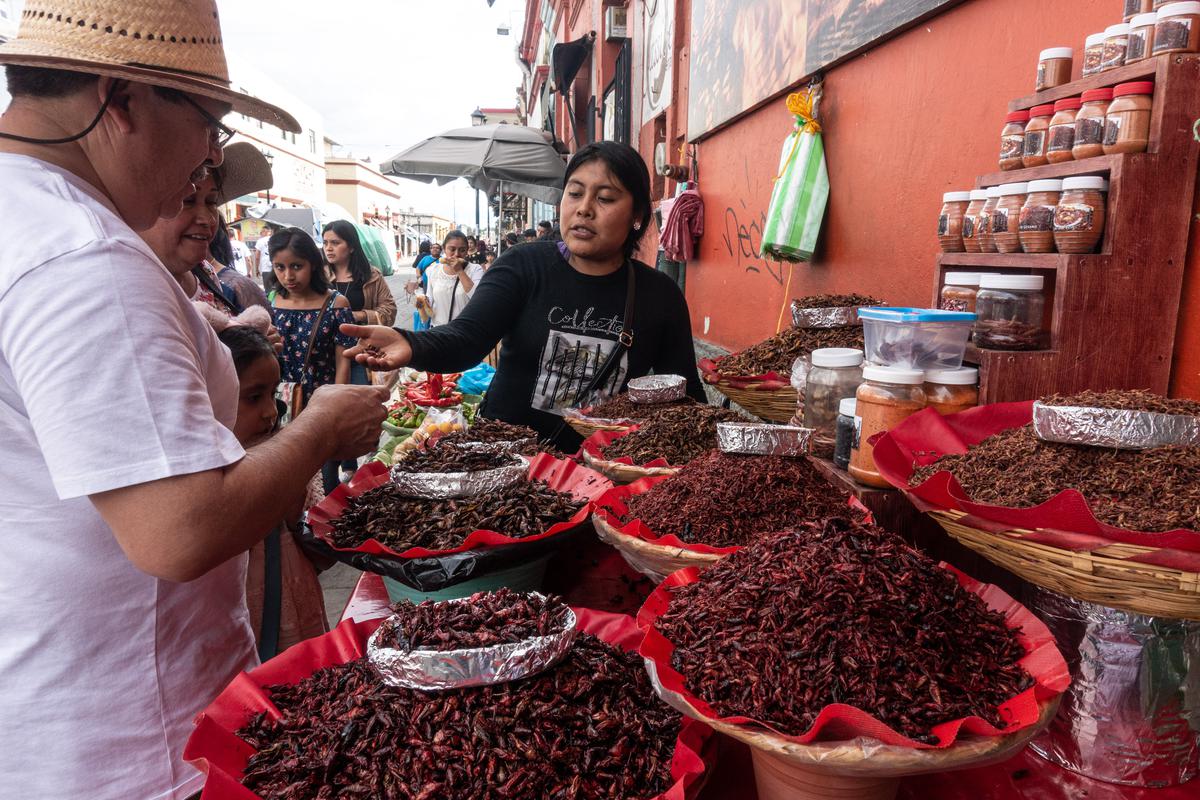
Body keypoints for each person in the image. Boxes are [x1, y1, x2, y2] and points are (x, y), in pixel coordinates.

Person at [0, 4, 387, 799]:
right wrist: (316, 429)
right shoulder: (84, 261)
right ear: (121, 96)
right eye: (209, 121)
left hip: (57, 711)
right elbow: (179, 531)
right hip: (135, 741)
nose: (211, 153)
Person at [344, 141, 705, 451]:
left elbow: (685, 395)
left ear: (638, 215)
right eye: (575, 193)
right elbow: (467, 337)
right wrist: (410, 343)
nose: (584, 208)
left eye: (606, 198)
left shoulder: (660, 296)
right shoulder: (524, 265)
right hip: (506, 459)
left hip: (604, 472)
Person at [213, 317, 328, 658]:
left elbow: (320, 538)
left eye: (272, 394)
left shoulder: (286, 455)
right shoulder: (201, 478)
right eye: (252, 397)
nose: (268, 412)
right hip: (240, 612)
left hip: (292, 595)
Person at [269, 227, 357, 493]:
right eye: (280, 267)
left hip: (322, 401)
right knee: (289, 474)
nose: (288, 276)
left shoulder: (335, 304)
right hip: (283, 403)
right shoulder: (271, 301)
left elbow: (343, 362)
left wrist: (336, 406)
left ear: (313, 264)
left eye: (296, 266)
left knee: (326, 479)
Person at [323, 219, 397, 479]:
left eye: (335, 242)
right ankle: (342, 465)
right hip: (328, 357)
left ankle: (356, 464)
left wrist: (358, 316)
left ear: (351, 246)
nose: (329, 248)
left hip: (361, 354)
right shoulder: (320, 276)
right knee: (332, 410)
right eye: (325, 243)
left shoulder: (371, 276)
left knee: (357, 408)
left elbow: (389, 311)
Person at [419, 230, 486, 327]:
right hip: (439, 331)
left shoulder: (475, 269)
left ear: (467, 250)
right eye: (452, 249)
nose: (456, 254)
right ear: (444, 249)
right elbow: (430, 298)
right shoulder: (434, 270)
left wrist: (460, 271)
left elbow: (477, 298)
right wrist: (423, 302)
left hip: (465, 331)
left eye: (462, 250)